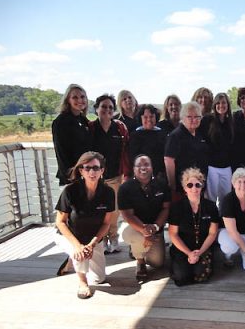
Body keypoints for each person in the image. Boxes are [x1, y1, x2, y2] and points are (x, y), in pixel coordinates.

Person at [54, 151, 115, 299]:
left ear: (102, 170)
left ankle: (72, 259)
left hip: (93, 238)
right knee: (80, 254)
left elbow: (107, 223)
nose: (91, 172)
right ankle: (82, 283)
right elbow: (60, 222)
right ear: (81, 170)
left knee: (99, 279)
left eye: (95, 168)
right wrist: (77, 246)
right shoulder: (70, 191)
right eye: (87, 168)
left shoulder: (108, 192)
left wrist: (92, 244)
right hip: (68, 235)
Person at [89, 94, 131, 254]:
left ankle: (113, 237)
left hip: (115, 175)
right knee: (98, 210)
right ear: (96, 109)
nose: (107, 110)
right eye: (103, 107)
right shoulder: (91, 128)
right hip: (95, 178)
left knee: (113, 211)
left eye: (110, 108)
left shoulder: (119, 128)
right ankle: (102, 239)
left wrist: (127, 173)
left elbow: (126, 151)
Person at [119, 155, 171, 280]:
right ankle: (140, 260)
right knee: (136, 237)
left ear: (152, 167)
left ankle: (143, 246)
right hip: (135, 228)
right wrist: (144, 230)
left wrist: (155, 227)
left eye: (146, 165)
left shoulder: (162, 184)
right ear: (134, 169)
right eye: (139, 165)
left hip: (155, 228)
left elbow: (166, 208)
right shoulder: (125, 188)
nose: (143, 168)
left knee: (157, 263)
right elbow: (127, 215)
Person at [167, 168, 219, 286]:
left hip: (203, 247)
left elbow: (213, 233)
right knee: (181, 277)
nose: (194, 188)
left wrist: (199, 252)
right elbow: (173, 234)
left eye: (197, 185)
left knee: (201, 275)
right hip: (183, 248)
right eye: (189, 185)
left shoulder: (211, 206)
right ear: (185, 188)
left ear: (202, 187)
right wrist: (189, 253)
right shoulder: (177, 207)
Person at [218, 168, 245, 270]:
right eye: (239, 182)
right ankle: (228, 257)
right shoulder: (228, 200)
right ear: (233, 184)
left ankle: (243, 251)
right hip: (230, 233)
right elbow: (232, 231)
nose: (243, 185)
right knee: (230, 246)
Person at [164, 101, 209, 200]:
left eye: (197, 117)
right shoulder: (175, 136)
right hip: (182, 189)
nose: (194, 120)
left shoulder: (198, 134)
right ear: (183, 117)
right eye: (190, 117)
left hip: (198, 186)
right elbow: (169, 161)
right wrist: (173, 186)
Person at [52, 84, 92, 186]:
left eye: (82, 97)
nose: (79, 100)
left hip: (87, 172)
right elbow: (61, 152)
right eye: (75, 97)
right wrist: (70, 176)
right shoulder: (60, 122)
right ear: (68, 100)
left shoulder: (83, 119)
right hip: (73, 176)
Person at [198, 92, 234, 203]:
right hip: (212, 167)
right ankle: (211, 220)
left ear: (227, 105)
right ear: (214, 105)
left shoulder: (231, 122)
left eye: (223, 103)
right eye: (218, 103)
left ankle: (224, 220)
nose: (221, 105)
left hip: (227, 167)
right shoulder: (207, 120)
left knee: (226, 198)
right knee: (210, 199)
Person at [129, 104, 167, 181]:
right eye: (145, 117)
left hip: (160, 174)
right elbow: (133, 157)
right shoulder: (135, 135)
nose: (149, 119)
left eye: (151, 116)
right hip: (141, 174)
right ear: (141, 119)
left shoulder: (162, 133)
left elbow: (165, 154)